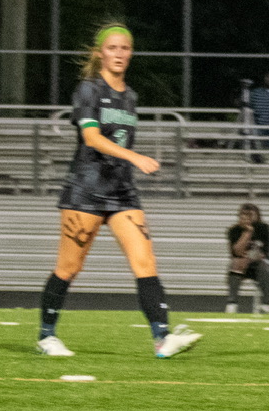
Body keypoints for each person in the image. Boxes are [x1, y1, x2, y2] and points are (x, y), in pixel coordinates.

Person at [37, 24, 201, 362]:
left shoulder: (130, 95)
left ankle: (162, 338)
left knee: (145, 261)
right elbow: (92, 139)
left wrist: (129, 164)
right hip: (86, 189)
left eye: (125, 48)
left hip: (123, 192)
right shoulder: (88, 90)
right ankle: (46, 335)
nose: (119, 54)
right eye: (112, 48)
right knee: (69, 267)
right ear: (100, 53)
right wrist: (136, 158)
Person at [226, 203, 269, 314]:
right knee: (234, 266)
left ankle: (267, 303)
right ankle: (232, 303)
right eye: (244, 215)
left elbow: (265, 252)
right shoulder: (234, 230)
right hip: (242, 266)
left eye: (251, 214)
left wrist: (248, 258)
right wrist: (247, 233)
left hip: (260, 264)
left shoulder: (264, 228)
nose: (248, 218)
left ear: (257, 215)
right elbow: (235, 252)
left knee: (264, 266)